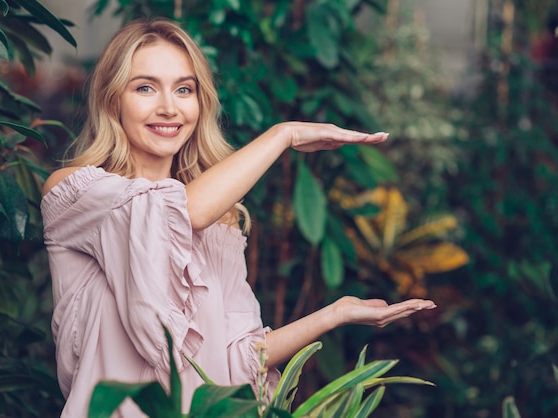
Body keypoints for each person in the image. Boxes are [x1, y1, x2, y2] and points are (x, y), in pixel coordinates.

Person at [40, 18, 437, 417]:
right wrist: (284, 134)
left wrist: (335, 314)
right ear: (113, 101)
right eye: (145, 87)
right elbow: (177, 213)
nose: (168, 107)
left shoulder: (220, 224)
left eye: (184, 89)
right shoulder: (77, 193)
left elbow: (239, 353)